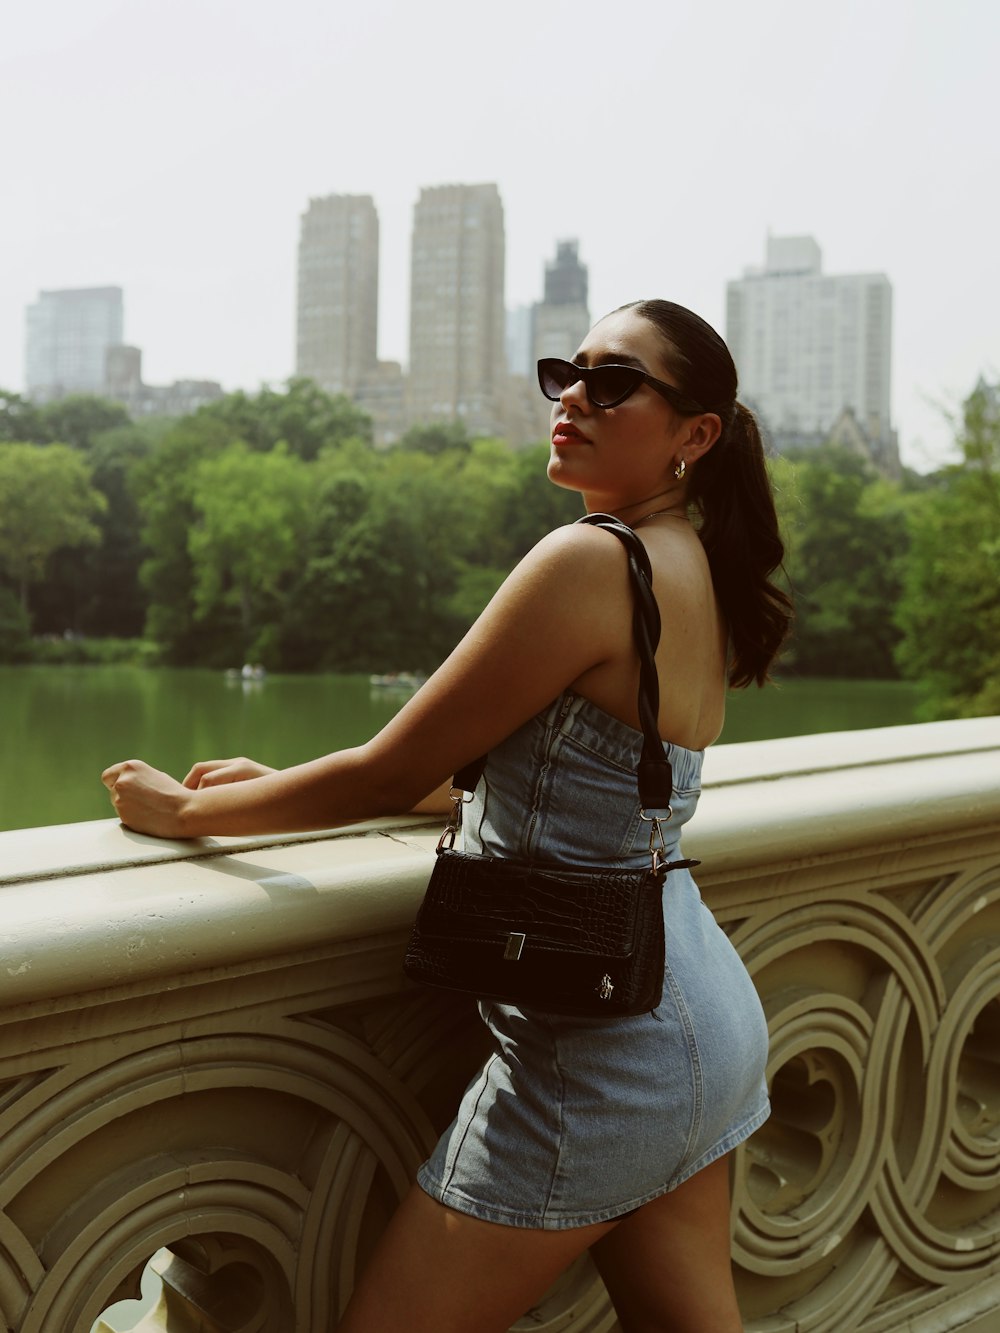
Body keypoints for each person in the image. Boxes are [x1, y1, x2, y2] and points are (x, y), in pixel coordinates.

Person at [102, 299, 792, 1332]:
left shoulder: (591, 561)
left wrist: (186, 815)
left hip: (602, 1050)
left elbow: (390, 771)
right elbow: (520, 769)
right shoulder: (684, 561)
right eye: (568, 372)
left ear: (695, 433)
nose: (571, 400)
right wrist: (273, 778)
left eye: (614, 383)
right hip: (696, 1022)